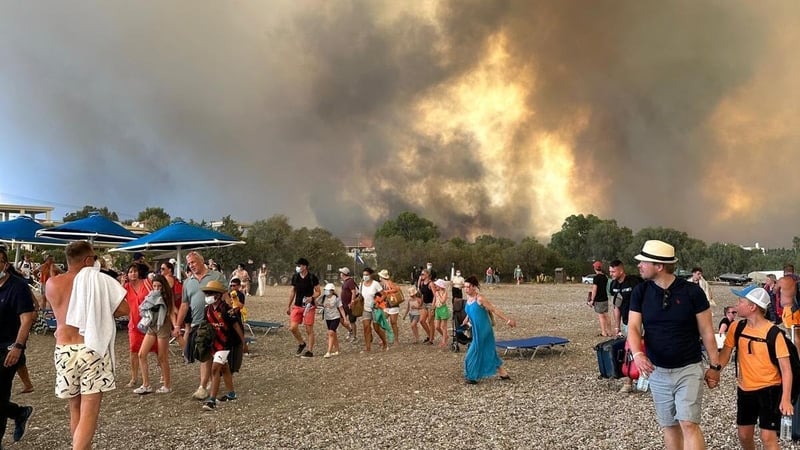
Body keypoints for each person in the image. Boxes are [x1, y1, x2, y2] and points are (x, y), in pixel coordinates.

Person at [627, 240, 721, 450]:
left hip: (688, 368)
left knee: (688, 423)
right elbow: (633, 328)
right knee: (669, 425)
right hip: (657, 370)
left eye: (643, 262)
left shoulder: (692, 292)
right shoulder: (640, 292)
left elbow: (707, 332)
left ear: (659, 266)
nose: (639, 265)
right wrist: (638, 354)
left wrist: (715, 367)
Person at [46, 241, 129, 450]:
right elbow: (124, 309)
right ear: (88, 260)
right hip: (90, 348)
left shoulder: (52, 283)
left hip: (63, 349)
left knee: (75, 408)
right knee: (89, 412)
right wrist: (99, 309)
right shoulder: (97, 281)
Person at [718, 285, 793, 450]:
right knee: (744, 435)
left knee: (768, 437)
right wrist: (715, 370)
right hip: (745, 390)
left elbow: (786, 369)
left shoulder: (773, 333)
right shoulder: (736, 328)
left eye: (740, 301)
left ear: (752, 307)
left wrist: (786, 399)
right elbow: (725, 353)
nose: (736, 305)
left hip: (770, 390)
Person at [176, 251, 226, 401]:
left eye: (193, 262)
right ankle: (205, 385)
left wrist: (230, 316)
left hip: (216, 320)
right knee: (204, 353)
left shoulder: (216, 276)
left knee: (214, 353)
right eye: (189, 263)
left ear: (201, 261)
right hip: (198, 322)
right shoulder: (187, 282)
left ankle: (208, 385)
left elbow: (225, 296)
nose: (191, 265)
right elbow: (185, 305)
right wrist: (178, 325)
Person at [0, 247, 35, 447]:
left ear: (5, 264)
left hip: (8, 348)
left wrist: (18, 346)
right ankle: (19, 412)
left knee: (0, 393)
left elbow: (26, 318)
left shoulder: (18, 287)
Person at [461, 276, 516, 384]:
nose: (466, 289)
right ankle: (503, 373)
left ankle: (472, 376)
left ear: (474, 287)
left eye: (468, 287)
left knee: (474, 351)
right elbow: (470, 311)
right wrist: (466, 318)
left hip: (483, 329)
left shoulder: (480, 299)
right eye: (465, 287)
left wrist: (508, 320)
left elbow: (494, 309)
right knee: (488, 350)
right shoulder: (469, 299)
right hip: (476, 329)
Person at [201, 280, 244, 411]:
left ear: (218, 295)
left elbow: (236, 325)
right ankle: (231, 394)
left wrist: (243, 342)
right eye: (207, 293)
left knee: (215, 369)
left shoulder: (227, 309)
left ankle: (212, 400)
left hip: (225, 343)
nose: (208, 295)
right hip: (214, 343)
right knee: (224, 368)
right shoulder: (207, 310)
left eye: (211, 293)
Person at [134, 275, 176, 395]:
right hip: (152, 324)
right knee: (142, 354)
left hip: (163, 325)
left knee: (162, 357)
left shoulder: (166, 297)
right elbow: (144, 307)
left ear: (163, 287)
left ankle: (167, 385)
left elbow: (172, 311)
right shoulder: (151, 295)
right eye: (155, 286)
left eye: (159, 286)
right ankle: (146, 384)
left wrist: (175, 326)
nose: (156, 288)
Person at [608, 259, 643, 394]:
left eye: (613, 271)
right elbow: (616, 306)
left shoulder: (635, 281)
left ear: (621, 270)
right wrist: (617, 328)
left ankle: (634, 380)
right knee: (630, 350)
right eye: (610, 271)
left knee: (640, 348)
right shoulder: (614, 285)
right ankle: (631, 379)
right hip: (627, 322)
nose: (611, 274)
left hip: (641, 320)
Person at [123, 262, 153, 388]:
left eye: (135, 271)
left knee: (157, 349)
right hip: (134, 323)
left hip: (149, 322)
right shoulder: (126, 287)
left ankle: (163, 374)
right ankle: (134, 377)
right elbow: (118, 297)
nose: (133, 273)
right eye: (130, 271)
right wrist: (121, 283)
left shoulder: (147, 283)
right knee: (134, 350)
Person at [286, 258, 320, 358]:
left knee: (308, 329)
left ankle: (310, 351)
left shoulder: (312, 277)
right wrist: (288, 305)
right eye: (297, 265)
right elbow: (293, 291)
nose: (298, 267)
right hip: (297, 305)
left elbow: (318, 291)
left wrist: (312, 297)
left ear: (305, 266)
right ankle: (301, 343)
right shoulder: (295, 277)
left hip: (309, 307)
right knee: (293, 327)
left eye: (299, 265)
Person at [358, 267, 388, 352]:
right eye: (364, 275)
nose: (365, 276)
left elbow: (384, 294)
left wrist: (378, 302)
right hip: (365, 308)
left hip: (375, 308)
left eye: (367, 275)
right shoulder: (361, 284)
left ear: (370, 275)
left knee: (376, 328)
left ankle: (384, 342)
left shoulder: (375, 284)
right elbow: (360, 296)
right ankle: (368, 347)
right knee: (366, 327)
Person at [159, 261, 184, 349]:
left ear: (169, 270)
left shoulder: (168, 279)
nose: (160, 270)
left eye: (163, 269)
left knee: (175, 331)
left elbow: (169, 296)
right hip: (173, 307)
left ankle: (186, 352)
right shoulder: (173, 278)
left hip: (170, 308)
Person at [320, 283, 348, 358]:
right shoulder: (323, 297)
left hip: (335, 317)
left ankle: (329, 351)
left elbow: (341, 308)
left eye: (327, 290)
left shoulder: (336, 298)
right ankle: (337, 350)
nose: (326, 291)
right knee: (333, 334)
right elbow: (317, 302)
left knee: (331, 332)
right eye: (325, 290)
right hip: (328, 318)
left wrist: (345, 319)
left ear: (332, 291)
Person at [588, 261, 611, 337]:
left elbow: (594, 290)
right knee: (606, 315)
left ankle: (604, 332)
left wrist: (592, 300)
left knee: (601, 316)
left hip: (599, 299)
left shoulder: (596, 278)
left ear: (595, 268)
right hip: (605, 298)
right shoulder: (605, 277)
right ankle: (609, 332)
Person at [378, 269, 401, 344]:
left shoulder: (388, 282)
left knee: (393, 322)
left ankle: (396, 339)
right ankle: (383, 339)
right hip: (387, 304)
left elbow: (395, 289)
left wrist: (387, 291)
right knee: (383, 321)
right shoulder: (382, 284)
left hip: (393, 303)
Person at [339, 267, 358, 342]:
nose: (340, 274)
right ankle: (350, 330)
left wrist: (352, 301)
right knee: (341, 319)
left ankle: (354, 336)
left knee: (352, 320)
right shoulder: (345, 281)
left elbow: (353, 292)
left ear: (344, 274)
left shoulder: (350, 281)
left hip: (349, 305)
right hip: (343, 304)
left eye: (341, 273)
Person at [416, 269, 435, 344]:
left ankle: (431, 339)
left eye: (423, 274)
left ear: (427, 275)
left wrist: (433, 306)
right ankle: (430, 335)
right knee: (422, 320)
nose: (421, 275)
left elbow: (435, 295)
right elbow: (422, 294)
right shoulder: (422, 283)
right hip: (424, 304)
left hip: (430, 304)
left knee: (430, 321)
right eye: (421, 274)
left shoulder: (431, 284)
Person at [433, 279, 450, 348]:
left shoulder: (445, 292)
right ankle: (445, 336)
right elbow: (435, 300)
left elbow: (443, 301)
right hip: (437, 309)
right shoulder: (436, 292)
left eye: (436, 285)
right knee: (437, 327)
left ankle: (444, 341)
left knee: (443, 327)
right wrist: (433, 307)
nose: (435, 286)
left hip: (443, 309)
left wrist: (438, 295)